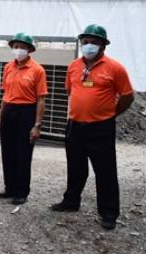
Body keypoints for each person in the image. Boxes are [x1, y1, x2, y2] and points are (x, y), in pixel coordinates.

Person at [50, 24, 134, 230]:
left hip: (101, 127)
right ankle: (71, 201)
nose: (89, 46)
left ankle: (109, 212)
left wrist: (111, 114)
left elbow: (127, 96)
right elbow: (70, 91)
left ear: (103, 46)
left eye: (94, 42)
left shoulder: (115, 68)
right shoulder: (73, 66)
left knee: (105, 170)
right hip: (75, 125)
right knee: (75, 166)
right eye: (85, 41)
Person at [0, 33, 47, 205]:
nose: (19, 50)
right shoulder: (8, 67)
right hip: (9, 111)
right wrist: (0, 116)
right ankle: (9, 187)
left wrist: (37, 125)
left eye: (23, 47)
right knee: (7, 151)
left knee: (23, 153)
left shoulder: (37, 70)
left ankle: (21, 191)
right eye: (16, 46)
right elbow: (5, 94)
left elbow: (41, 99)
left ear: (30, 50)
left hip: (26, 112)